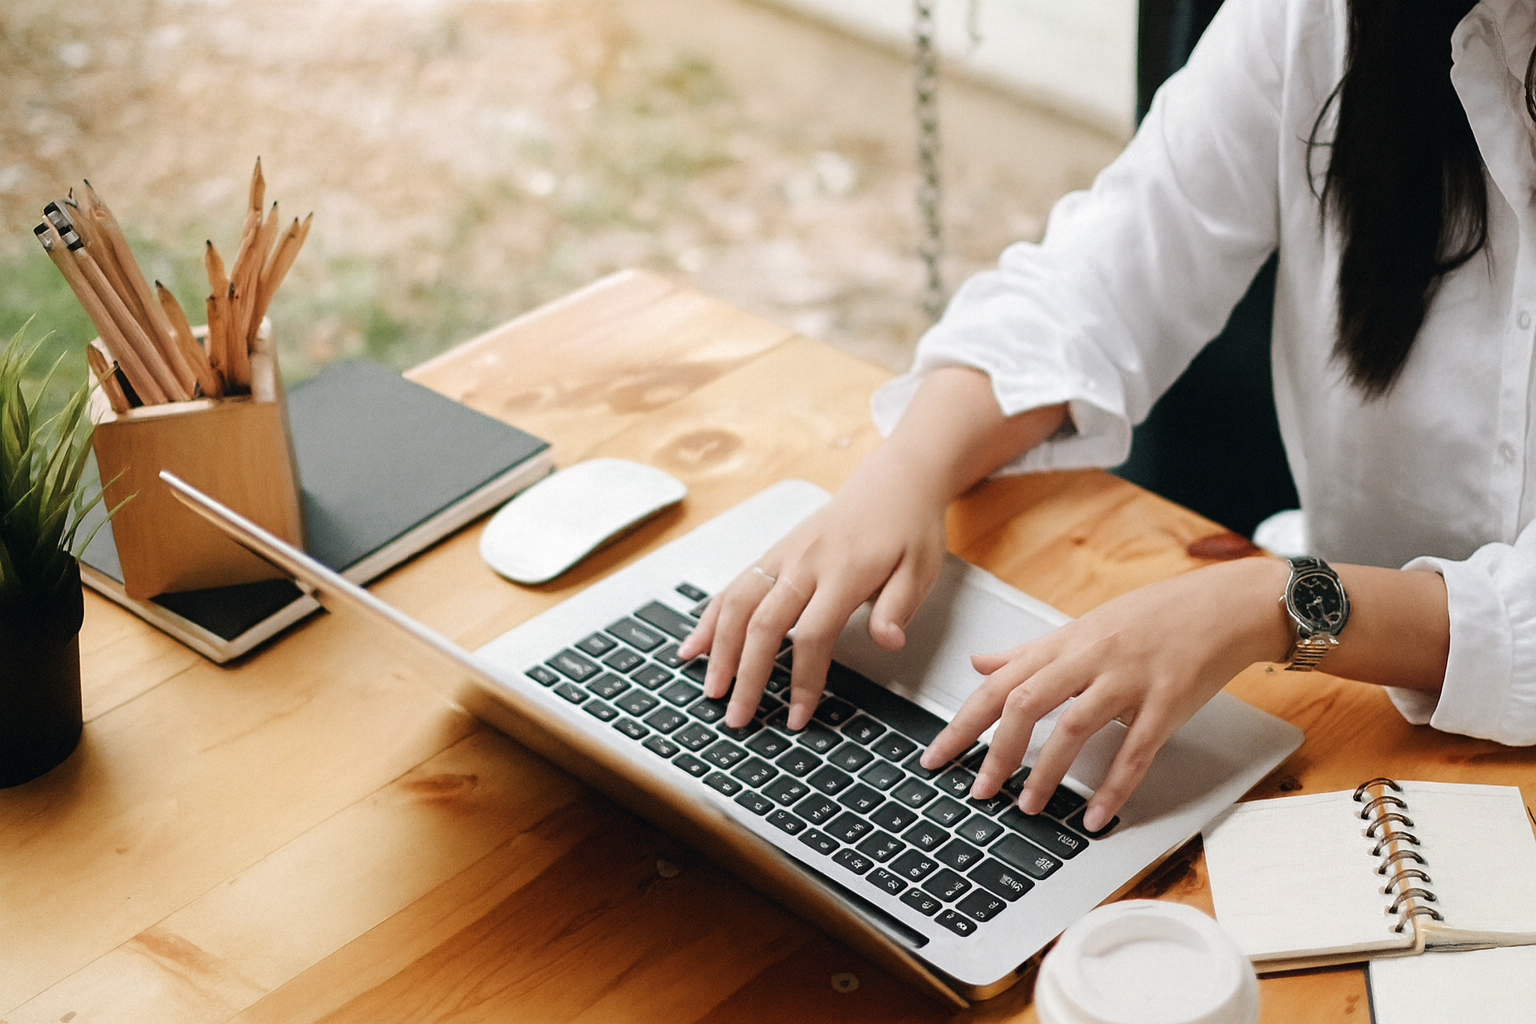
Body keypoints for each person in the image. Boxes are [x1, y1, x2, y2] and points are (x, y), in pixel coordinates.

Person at [679, 0, 1536, 834]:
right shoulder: (1314, 17)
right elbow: (1104, 274)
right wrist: (901, 474)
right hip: (1339, 700)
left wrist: (1276, 602)